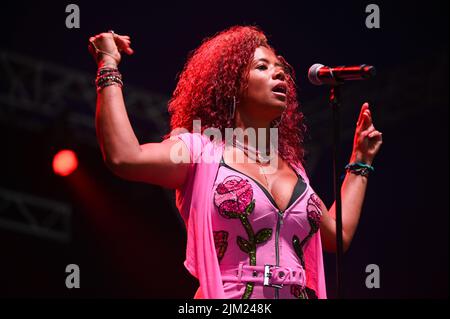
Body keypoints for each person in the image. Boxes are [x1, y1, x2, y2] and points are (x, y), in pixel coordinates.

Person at [88, 25, 383, 299]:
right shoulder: (200, 151)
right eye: (262, 67)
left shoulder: (294, 169)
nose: (279, 75)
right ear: (232, 85)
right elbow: (124, 157)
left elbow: (337, 236)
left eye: (280, 70)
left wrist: (360, 163)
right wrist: (108, 65)